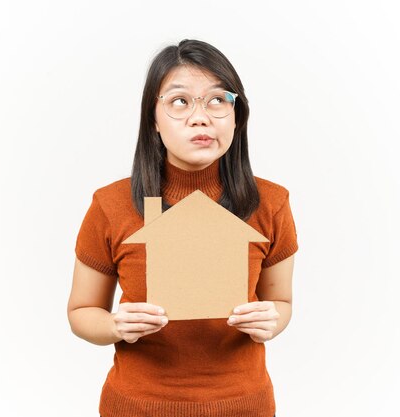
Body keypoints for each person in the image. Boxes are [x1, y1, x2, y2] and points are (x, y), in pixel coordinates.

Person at [67, 39, 298, 417]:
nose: (200, 117)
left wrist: (270, 320)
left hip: (244, 406)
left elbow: (281, 303)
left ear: (236, 116)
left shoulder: (271, 203)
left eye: (217, 100)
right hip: (136, 407)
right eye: (179, 101)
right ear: (153, 120)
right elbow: (81, 311)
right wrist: (114, 326)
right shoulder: (110, 205)